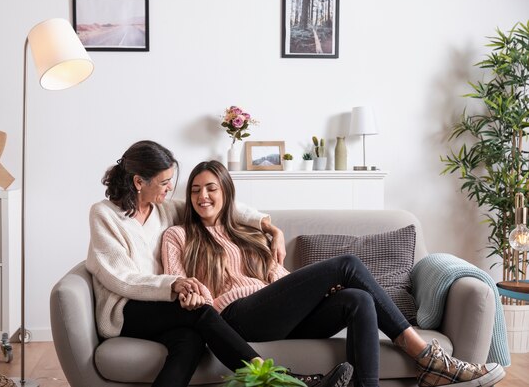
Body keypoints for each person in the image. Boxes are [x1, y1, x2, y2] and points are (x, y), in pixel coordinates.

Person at [161, 160, 507, 387]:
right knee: (347, 265)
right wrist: (193, 295)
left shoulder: (249, 234)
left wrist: (312, 293)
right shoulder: (178, 235)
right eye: (195, 190)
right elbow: (178, 284)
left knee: (355, 298)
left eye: (211, 189)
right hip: (235, 318)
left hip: (275, 313)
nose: (202, 196)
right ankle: (426, 356)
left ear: (227, 194)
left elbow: (278, 282)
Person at [85, 141, 353, 387]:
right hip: (125, 310)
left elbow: (219, 205)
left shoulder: (163, 209)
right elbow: (120, 277)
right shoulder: (105, 214)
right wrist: (175, 284)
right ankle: (273, 379)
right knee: (199, 311)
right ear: (138, 182)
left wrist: (270, 227)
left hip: (161, 306)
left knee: (189, 341)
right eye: (165, 182)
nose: (169, 188)